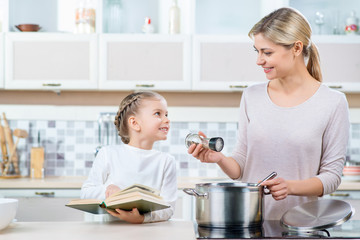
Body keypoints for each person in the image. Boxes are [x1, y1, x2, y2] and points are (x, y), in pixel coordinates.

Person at [188, 7, 350, 220]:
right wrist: (219, 159)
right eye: (257, 51)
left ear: (296, 48)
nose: (259, 60)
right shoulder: (251, 96)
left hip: (300, 226)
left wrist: (289, 187)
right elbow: (241, 165)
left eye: (267, 52)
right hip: (248, 221)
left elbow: (331, 177)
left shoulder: (332, 102)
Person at [81, 91, 177, 224]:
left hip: (151, 234)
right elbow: (86, 194)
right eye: (157, 114)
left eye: (166, 114)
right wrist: (109, 191)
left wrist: (143, 218)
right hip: (111, 233)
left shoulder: (166, 161)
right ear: (134, 123)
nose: (167, 119)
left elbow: (169, 208)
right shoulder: (108, 154)